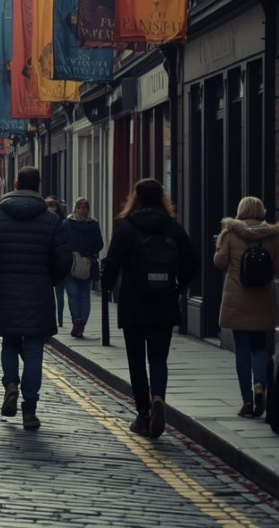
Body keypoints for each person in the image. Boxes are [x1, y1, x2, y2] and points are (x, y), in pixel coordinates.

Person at [102, 178, 198, 439]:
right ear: (161, 197)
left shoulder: (126, 227)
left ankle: (143, 414)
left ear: (136, 197)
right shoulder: (172, 227)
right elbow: (192, 262)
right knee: (158, 358)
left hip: (133, 302)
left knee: (136, 360)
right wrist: (177, 288)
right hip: (164, 302)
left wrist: (107, 286)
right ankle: (158, 398)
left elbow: (112, 265)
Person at [0, 167, 71, 430]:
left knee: (9, 341)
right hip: (38, 292)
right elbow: (64, 258)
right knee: (33, 350)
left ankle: (10, 384)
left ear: (16, 183)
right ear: (39, 186)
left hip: (5, 290)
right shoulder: (52, 220)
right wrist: (50, 279)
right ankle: (29, 410)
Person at [213, 197, 279, 418]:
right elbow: (277, 268)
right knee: (260, 346)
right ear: (262, 211)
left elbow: (220, 262)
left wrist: (219, 247)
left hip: (237, 298)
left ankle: (247, 401)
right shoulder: (272, 236)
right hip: (263, 298)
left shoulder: (230, 234)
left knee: (242, 349)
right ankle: (260, 385)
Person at [65, 197, 104, 338]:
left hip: (71, 264)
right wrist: (87, 253)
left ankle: (77, 322)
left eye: (84, 207)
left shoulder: (67, 224)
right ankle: (79, 323)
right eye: (80, 207)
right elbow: (99, 244)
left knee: (76, 296)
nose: (82, 209)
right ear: (75, 208)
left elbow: (61, 242)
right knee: (81, 296)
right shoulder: (93, 224)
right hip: (85, 264)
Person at [45, 195, 67, 328]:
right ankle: (59, 319)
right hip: (56, 262)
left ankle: (57, 318)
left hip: (51, 262)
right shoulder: (62, 221)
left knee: (54, 294)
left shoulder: (59, 222)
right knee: (58, 294)